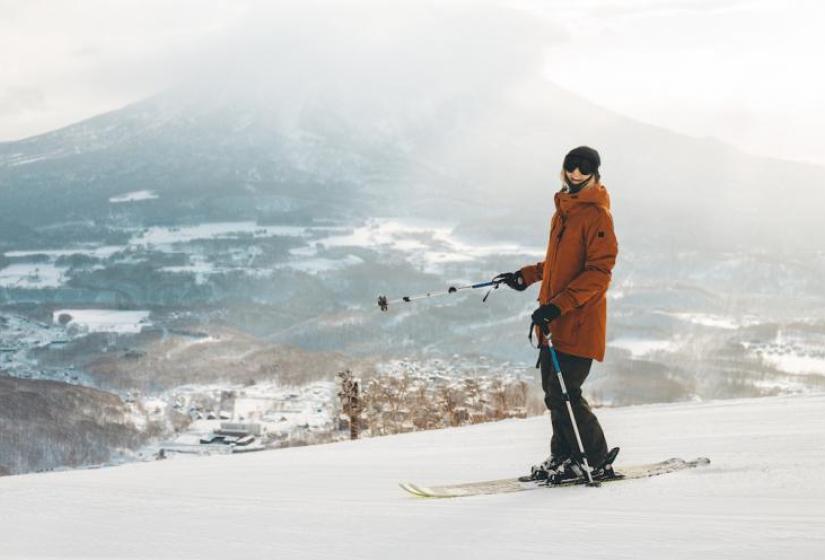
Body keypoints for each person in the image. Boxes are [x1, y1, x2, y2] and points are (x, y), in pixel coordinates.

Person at [493, 146, 619, 484]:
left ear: (595, 173)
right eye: (571, 166)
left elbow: (598, 272)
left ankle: (594, 459)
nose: (576, 173)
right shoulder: (564, 209)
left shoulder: (596, 216)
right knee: (554, 393)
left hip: (578, 320)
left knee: (566, 393)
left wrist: (558, 305)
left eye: (584, 168)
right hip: (554, 320)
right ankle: (564, 456)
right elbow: (562, 266)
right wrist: (526, 276)